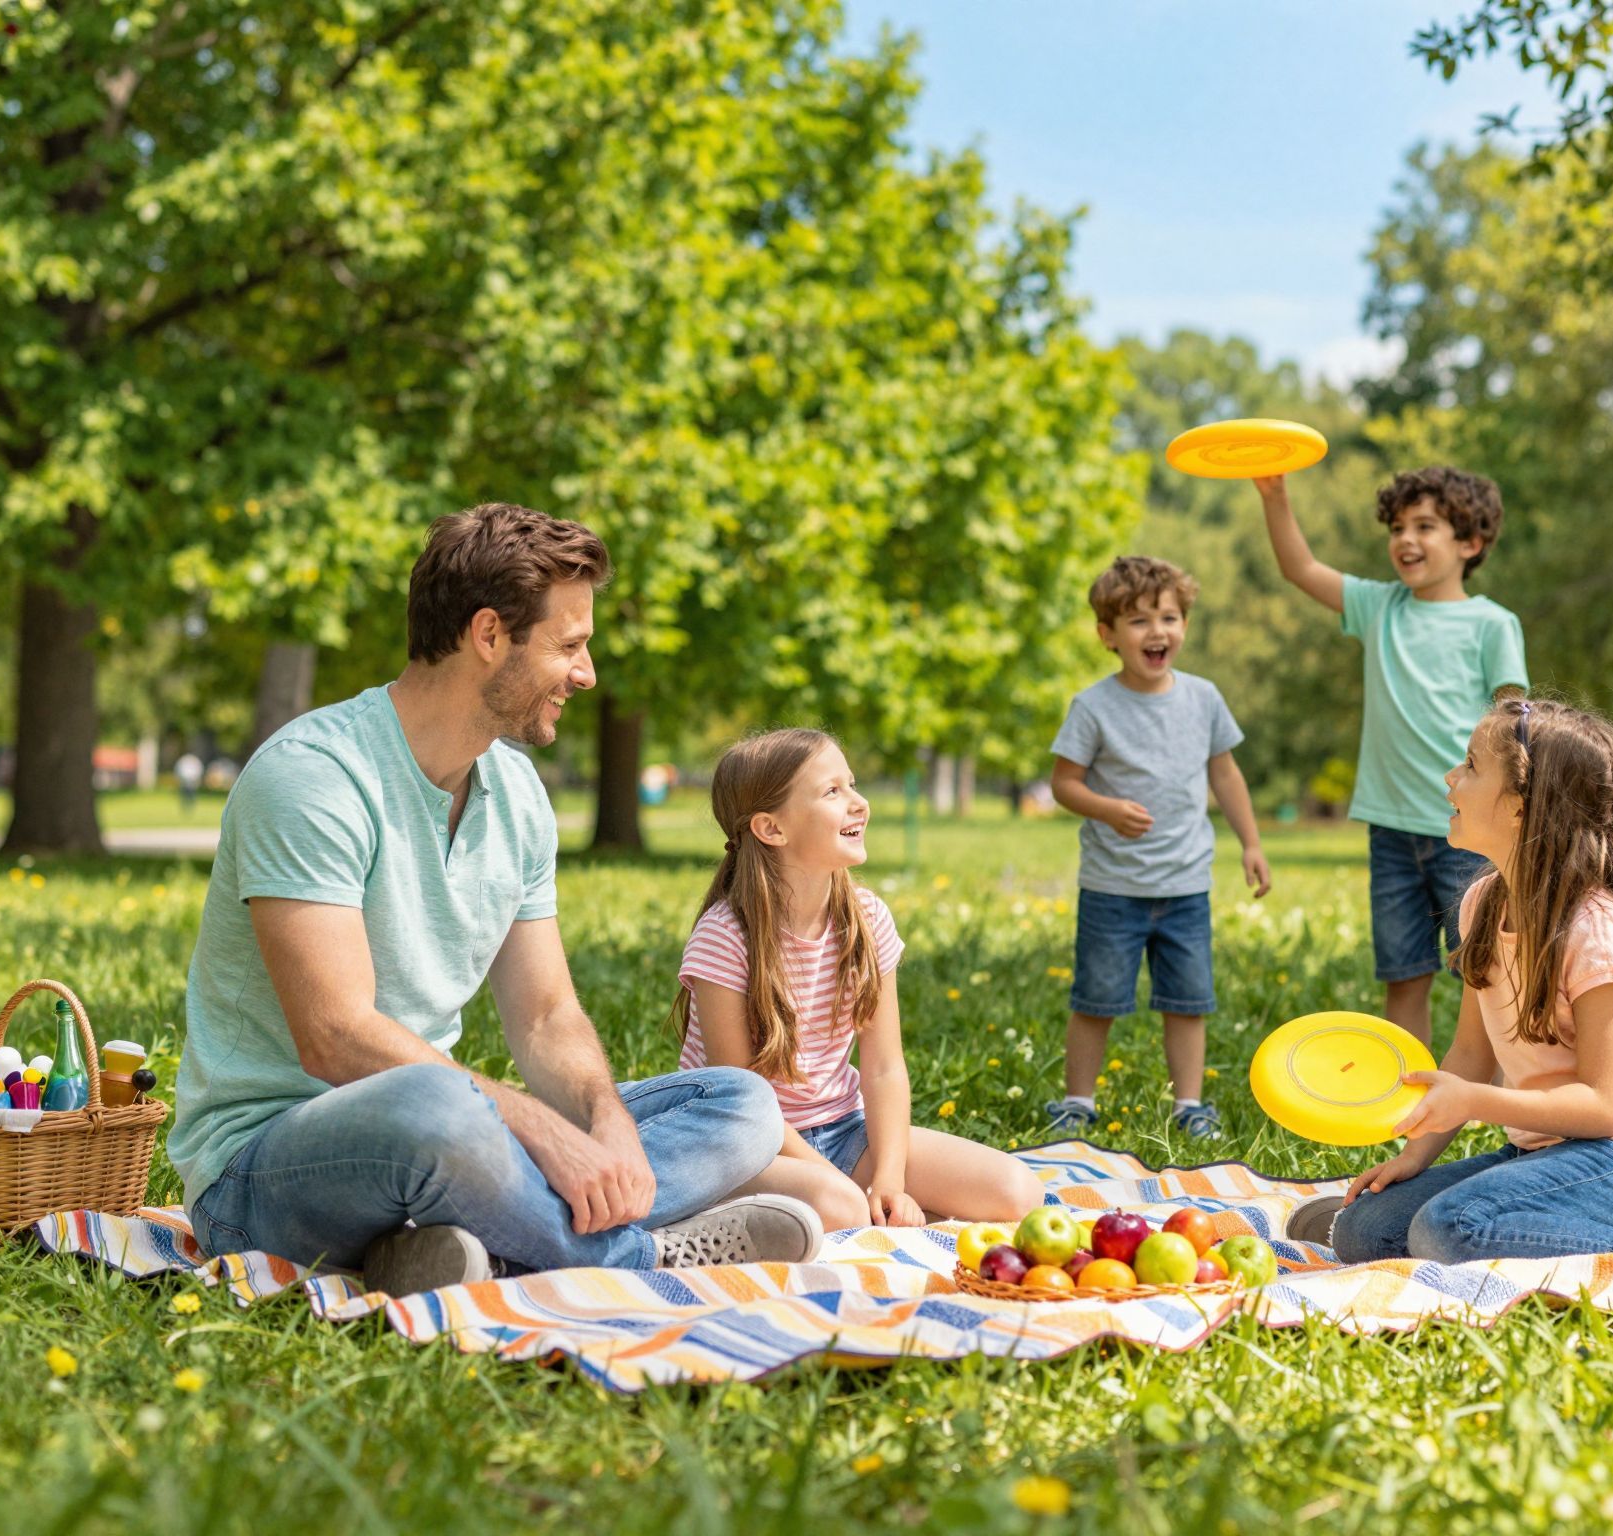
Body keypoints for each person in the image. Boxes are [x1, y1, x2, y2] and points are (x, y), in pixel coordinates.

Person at [169, 503, 813, 1297]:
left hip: (447, 1134)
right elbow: (334, 1038)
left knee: (741, 1103)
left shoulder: (517, 794)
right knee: (441, 1110)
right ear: (487, 635)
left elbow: (545, 1015)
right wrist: (534, 1127)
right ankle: (637, 1258)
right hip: (262, 1171)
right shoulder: (313, 777)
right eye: (568, 646)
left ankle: (477, 1248)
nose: (587, 673)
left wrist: (605, 1122)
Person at [1285, 699, 1613, 1275]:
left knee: (1448, 1230)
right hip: (1543, 1149)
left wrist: (1476, 1104)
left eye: (1470, 766)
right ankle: (1529, 1228)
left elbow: (1605, 1108)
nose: (1451, 777)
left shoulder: (1598, 931)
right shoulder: (1484, 904)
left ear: (1520, 806)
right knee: (1362, 1231)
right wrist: (1415, 1159)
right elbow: (1470, 1056)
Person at [673, 729, 1045, 1229]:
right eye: (833, 791)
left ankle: (858, 1211)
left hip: (844, 1130)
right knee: (842, 1207)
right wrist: (842, 1186)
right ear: (771, 828)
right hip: (750, 1143)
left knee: (1017, 1192)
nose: (859, 803)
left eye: (852, 784)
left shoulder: (866, 918)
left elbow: (884, 1067)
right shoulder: (725, 935)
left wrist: (889, 1179)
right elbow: (743, 1101)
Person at [1254, 466, 1527, 1046]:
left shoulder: (1492, 623)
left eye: (1424, 526)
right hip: (1392, 833)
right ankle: (1412, 1086)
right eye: (1398, 527)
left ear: (1470, 542)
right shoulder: (1380, 607)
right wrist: (1275, 495)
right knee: (1403, 977)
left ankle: (1498, 1086)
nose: (1405, 539)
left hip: (1469, 832)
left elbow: (1515, 728)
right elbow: (1299, 568)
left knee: (1487, 975)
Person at [1043, 556, 1272, 1141]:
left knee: (1187, 1001)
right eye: (1139, 620)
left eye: (1169, 618)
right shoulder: (1093, 706)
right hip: (1113, 888)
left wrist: (1250, 842)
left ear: (1184, 626)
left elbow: (1226, 775)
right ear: (1108, 635)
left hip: (1185, 886)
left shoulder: (1203, 698)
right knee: (1095, 999)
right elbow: (1064, 783)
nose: (1157, 631)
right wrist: (1106, 808)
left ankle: (1189, 1105)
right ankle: (1077, 1102)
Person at [175, 751, 204, 816]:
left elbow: (199, 769)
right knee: (184, 796)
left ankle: (190, 807)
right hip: (184, 782)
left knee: (191, 796)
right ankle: (185, 808)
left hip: (192, 782)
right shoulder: (184, 760)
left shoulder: (194, 761)